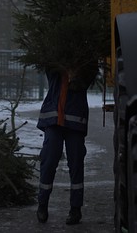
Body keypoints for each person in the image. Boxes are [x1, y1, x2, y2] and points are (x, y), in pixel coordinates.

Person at [36, 64, 98, 225]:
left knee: (76, 163)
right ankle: (42, 204)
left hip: (75, 120)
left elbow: (90, 76)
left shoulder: (85, 65)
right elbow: (49, 66)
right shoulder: (54, 66)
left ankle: (75, 209)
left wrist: (77, 74)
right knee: (49, 160)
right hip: (54, 120)